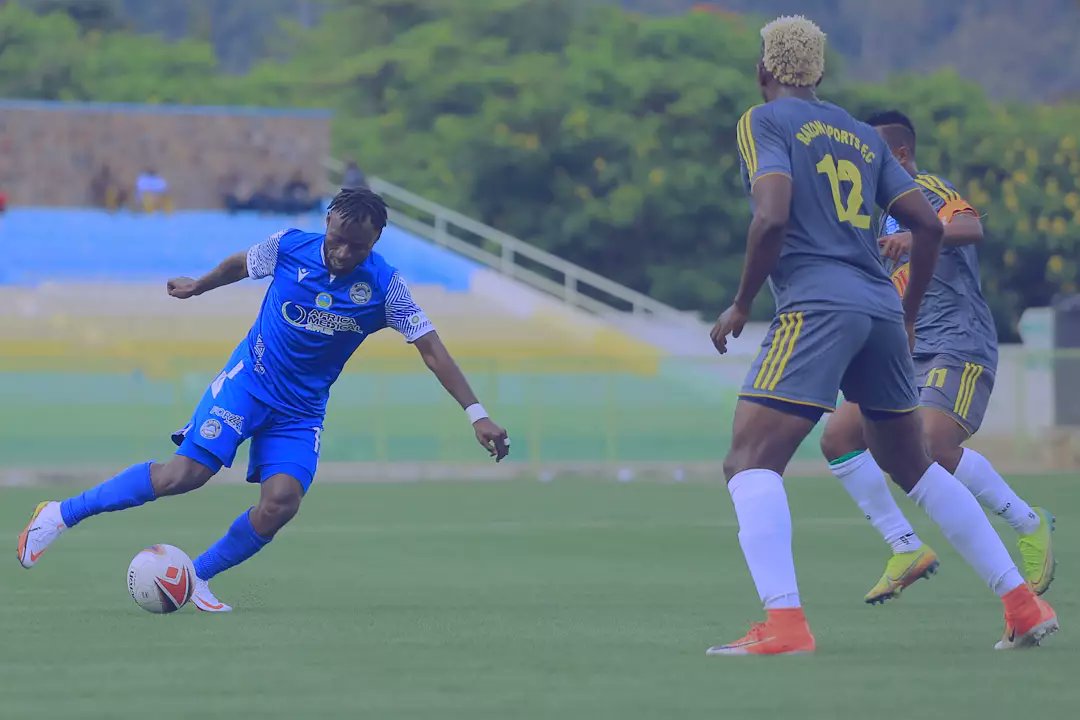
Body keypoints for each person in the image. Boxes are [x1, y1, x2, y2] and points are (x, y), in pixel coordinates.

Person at [705, 15, 1056, 656]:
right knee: (912, 463)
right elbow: (926, 223)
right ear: (818, 74)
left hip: (816, 306)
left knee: (748, 461)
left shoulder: (763, 122)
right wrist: (909, 311)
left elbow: (772, 213)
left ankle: (784, 625)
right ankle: (1023, 602)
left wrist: (739, 302)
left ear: (764, 72)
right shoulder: (863, 135)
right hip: (878, 310)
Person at [17, 187, 510, 612]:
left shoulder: (385, 286)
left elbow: (431, 348)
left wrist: (477, 414)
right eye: (336, 237)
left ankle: (198, 576)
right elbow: (241, 263)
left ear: (375, 241)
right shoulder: (291, 247)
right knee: (183, 476)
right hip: (247, 384)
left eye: (355, 246)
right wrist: (200, 286)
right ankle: (59, 514)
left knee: (281, 502)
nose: (341, 252)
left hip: (300, 412)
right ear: (327, 223)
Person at [820, 110, 1055, 605]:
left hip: (957, 344)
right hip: (897, 350)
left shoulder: (926, 191)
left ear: (900, 155)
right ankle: (904, 545)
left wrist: (920, 234)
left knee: (931, 444)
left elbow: (969, 227)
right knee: (839, 437)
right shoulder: (868, 209)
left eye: (875, 153)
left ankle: (1028, 524)